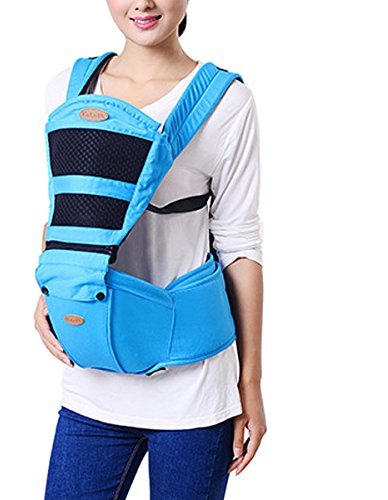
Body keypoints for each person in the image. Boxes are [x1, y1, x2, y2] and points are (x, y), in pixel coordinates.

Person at [33, 1, 267, 498]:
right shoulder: (69, 90)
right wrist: (51, 291)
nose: (142, 3)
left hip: (192, 390)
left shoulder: (226, 102)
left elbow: (240, 244)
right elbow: (64, 212)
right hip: (92, 383)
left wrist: (250, 382)